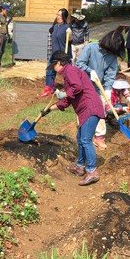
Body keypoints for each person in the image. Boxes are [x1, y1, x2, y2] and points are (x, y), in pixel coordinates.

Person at [41, 51, 105, 186]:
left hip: (90, 107)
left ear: (59, 63)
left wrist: (64, 93)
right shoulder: (68, 75)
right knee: (80, 138)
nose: (54, 69)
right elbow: (67, 100)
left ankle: (92, 171)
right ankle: (80, 166)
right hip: (85, 110)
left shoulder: (70, 71)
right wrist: (49, 110)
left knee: (86, 139)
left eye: (54, 66)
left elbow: (77, 87)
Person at [76, 29, 125, 150]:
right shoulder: (90, 48)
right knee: (83, 109)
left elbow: (110, 73)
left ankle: (99, 137)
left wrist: (108, 89)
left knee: (101, 110)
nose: (109, 52)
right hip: (83, 85)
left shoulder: (112, 56)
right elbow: (79, 63)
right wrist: (90, 71)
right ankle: (83, 132)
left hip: (99, 88)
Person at [39, 8, 71, 98]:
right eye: (57, 15)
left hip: (62, 55)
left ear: (64, 17)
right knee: (49, 71)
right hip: (54, 54)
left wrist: (70, 34)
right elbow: (50, 32)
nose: (58, 17)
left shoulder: (67, 27)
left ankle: (68, 90)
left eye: (60, 15)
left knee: (66, 73)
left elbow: (71, 39)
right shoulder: (55, 26)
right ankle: (48, 89)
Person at [0, 4, 11, 69]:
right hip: (0, 35)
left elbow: (5, 26)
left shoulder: (4, 16)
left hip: (4, 35)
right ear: (3, 9)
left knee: (2, 51)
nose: (7, 11)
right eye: (6, 10)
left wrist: (7, 35)